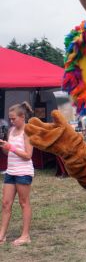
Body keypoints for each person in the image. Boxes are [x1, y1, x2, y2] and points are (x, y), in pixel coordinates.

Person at [0, 102, 34, 246]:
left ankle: (25, 236)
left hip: (23, 172)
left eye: (14, 119)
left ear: (22, 116)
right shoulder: (11, 131)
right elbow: (8, 152)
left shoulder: (28, 131)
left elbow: (28, 155)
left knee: (23, 203)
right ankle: (2, 235)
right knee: (6, 203)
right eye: (10, 119)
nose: (11, 121)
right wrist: (4, 147)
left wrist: (11, 148)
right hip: (11, 171)